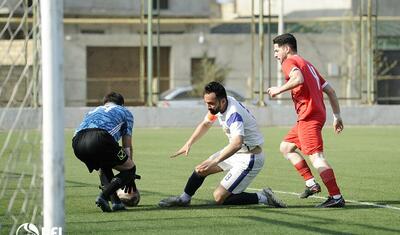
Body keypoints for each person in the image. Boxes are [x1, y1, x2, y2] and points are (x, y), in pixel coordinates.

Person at [159, 81, 286, 208]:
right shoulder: (221, 104)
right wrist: (188, 143)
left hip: (250, 158)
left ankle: (263, 197)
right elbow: (205, 124)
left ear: (223, 101)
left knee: (219, 197)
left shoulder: (233, 114)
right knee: (200, 169)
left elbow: (237, 143)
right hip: (236, 151)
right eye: (207, 103)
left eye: (211, 103)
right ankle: (184, 199)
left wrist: (214, 162)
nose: (209, 107)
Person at [267, 33, 345, 208]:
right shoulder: (308, 65)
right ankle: (311, 184)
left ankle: (336, 196)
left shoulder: (289, 62)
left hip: (308, 117)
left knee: (317, 158)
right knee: (286, 147)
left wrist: (278, 90)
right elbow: (331, 91)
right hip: (313, 116)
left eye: (276, 50)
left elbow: (298, 79)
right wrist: (337, 116)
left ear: (286, 48)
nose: (275, 55)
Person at [72, 92, 138, 212]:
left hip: (77, 143)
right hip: (100, 138)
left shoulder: (93, 110)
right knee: (130, 169)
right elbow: (126, 146)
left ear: (105, 103)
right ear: (122, 104)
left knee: (104, 165)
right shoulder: (125, 112)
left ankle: (116, 203)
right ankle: (104, 196)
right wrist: (129, 176)